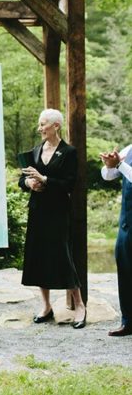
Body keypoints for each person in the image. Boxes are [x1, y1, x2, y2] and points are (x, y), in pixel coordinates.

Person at [19, 109, 86, 329]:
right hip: (37, 211)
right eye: (39, 124)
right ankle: (46, 306)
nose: (40, 128)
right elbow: (23, 180)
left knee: (63, 256)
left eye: (43, 124)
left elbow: (69, 183)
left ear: (56, 126)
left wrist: (45, 179)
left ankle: (79, 306)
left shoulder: (68, 152)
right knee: (38, 256)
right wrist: (30, 183)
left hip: (58, 212)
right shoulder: (36, 150)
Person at [100, 144, 132, 336]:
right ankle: (128, 321)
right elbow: (107, 175)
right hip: (127, 222)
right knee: (125, 270)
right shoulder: (129, 149)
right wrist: (109, 164)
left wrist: (119, 164)